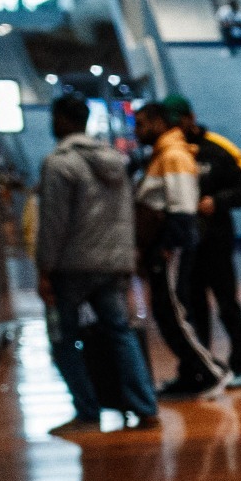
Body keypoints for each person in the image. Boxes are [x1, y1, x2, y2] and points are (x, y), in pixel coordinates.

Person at [32, 91, 160, 434]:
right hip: (112, 264)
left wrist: (45, 269)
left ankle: (87, 410)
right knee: (120, 334)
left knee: (64, 340)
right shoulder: (115, 161)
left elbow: (54, 223)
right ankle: (145, 406)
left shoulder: (59, 163)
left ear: (62, 121)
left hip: (71, 267)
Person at [133, 99, 227, 398]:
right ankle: (193, 375)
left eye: (141, 124)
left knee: (172, 313)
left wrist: (169, 246)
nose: (137, 130)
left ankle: (212, 373)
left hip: (171, 247)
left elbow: (183, 207)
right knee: (168, 313)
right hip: (167, 246)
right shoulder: (163, 155)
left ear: (160, 123)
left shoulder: (173, 156)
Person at [170, 97, 241, 391]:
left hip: (216, 241)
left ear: (190, 117)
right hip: (186, 245)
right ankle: (200, 368)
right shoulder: (169, 152)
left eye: (178, 119)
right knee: (191, 308)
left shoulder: (218, 148)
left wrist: (219, 201)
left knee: (227, 305)